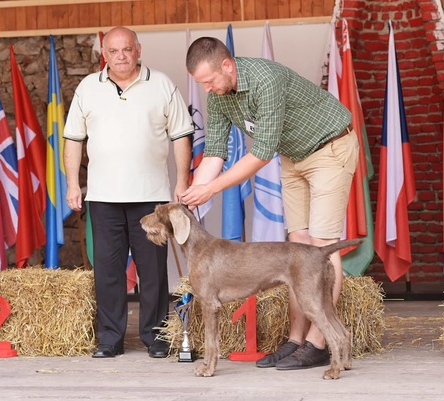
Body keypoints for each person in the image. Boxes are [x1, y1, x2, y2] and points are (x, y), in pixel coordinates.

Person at [183, 37, 359, 370]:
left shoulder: (265, 79)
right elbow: (215, 152)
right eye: (200, 84)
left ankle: (319, 343)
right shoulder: (219, 96)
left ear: (227, 66)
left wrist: (213, 189)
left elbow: (261, 153)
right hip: (294, 155)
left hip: (330, 148)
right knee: (298, 247)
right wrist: (193, 192)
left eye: (208, 81)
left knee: (321, 245)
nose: (206, 89)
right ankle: (296, 340)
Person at [64, 27, 193, 359]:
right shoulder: (87, 88)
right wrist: (70, 183)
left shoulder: (162, 84)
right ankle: (110, 338)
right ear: (103, 54)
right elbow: (73, 139)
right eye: (113, 50)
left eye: (126, 49)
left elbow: (181, 135)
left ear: (138, 50)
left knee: (153, 271)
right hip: (103, 197)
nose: (120, 56)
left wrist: (181, 182)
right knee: (108, 271)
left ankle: (155, 336)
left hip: (151, 197)